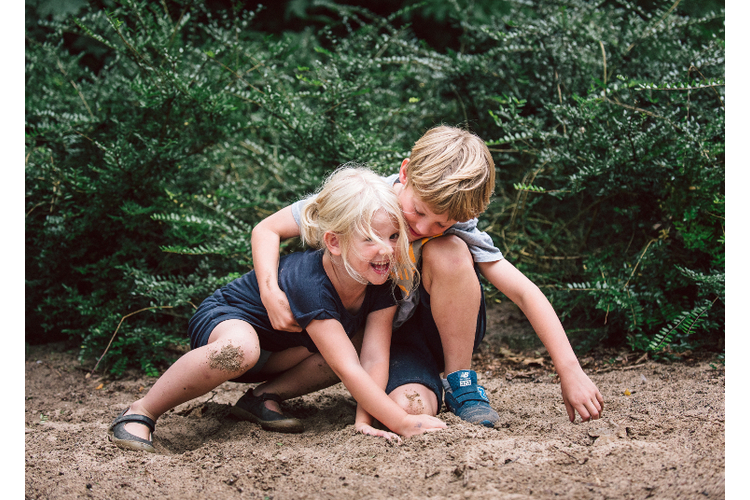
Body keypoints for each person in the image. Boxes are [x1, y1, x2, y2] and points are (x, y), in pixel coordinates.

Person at [242, 125, 604, 431]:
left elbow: (524, 292)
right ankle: (268, 394)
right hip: (374, 340)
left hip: (435, 330)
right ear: (405, 172)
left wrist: (570, 371)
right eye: (417, 212)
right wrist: (270, 291)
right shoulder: (363, 200)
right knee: (410, 409)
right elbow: (267, 229)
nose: (422, 227)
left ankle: (460, 382)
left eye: (442, 223)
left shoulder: (456, 229)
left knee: (449, 250)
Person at [108, 166, 448, 453]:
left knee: (353, 345)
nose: (386, 250)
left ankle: (261, 399)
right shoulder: (310, 282)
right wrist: (401, 421)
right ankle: (141, 412)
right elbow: (348, 370)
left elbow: (372, 358)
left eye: (392, 236)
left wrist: (367, 419)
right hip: (230, 323)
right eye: (370, 239)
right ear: (334, 242)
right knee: (240, 348)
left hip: (283, 349)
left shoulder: (384, 283)